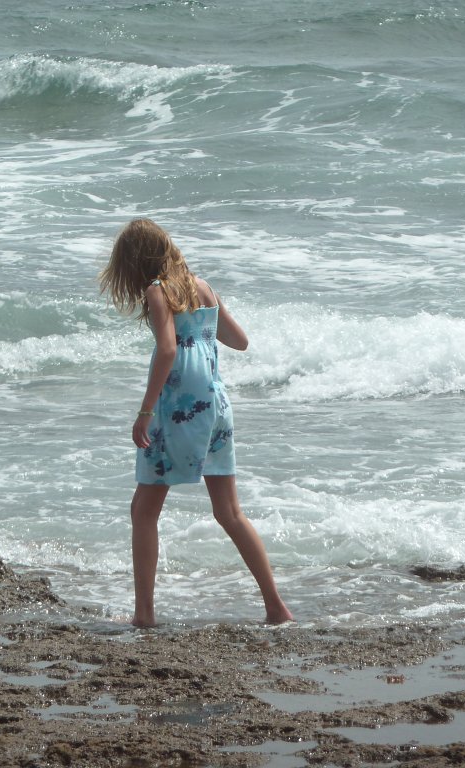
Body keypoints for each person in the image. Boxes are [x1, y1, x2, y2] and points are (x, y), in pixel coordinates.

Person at [99, 218, 293, 628]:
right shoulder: (202, 287)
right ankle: (276, 607)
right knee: (229, 512)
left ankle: (144, 615)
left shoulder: (156, 291)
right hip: (216, 404)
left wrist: (146, 410)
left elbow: (167, 350)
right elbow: (239, 340)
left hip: (178, 409)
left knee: (143, 510)